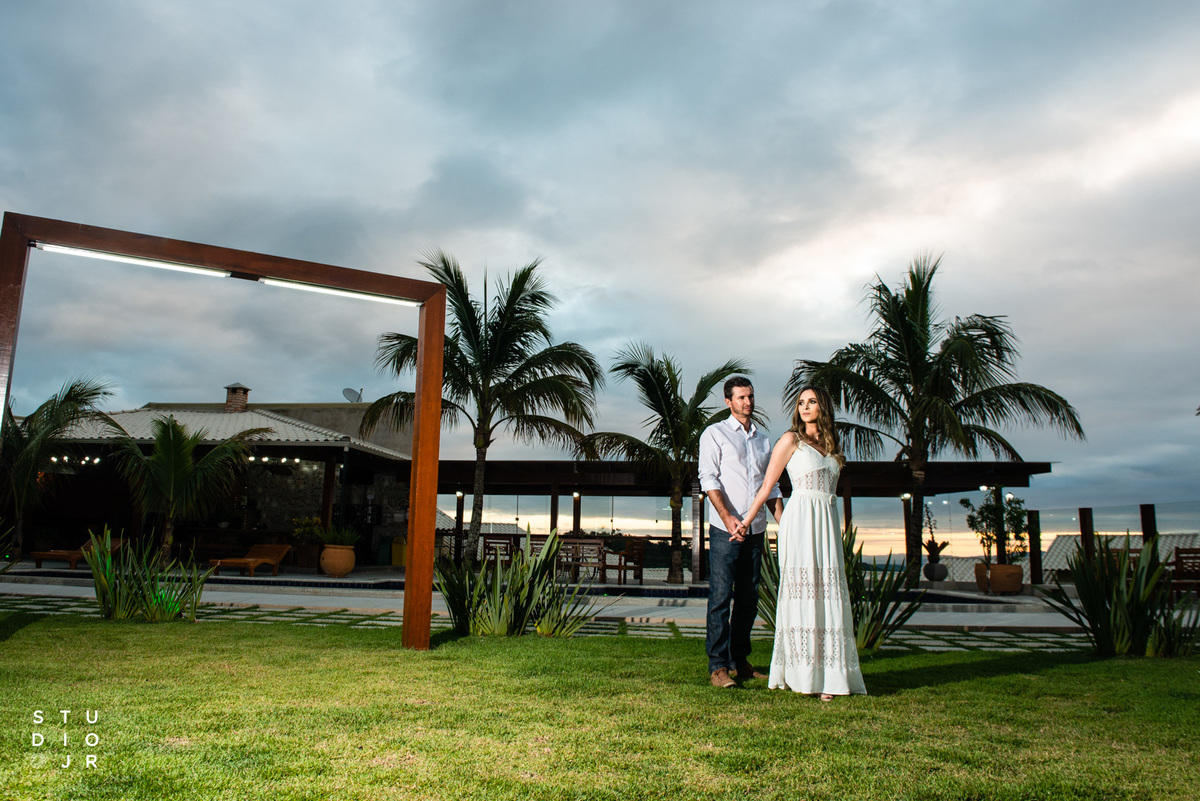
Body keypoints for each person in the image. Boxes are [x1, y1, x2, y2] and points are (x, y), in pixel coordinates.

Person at [740, 384, 866, 700]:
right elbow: (767, 485)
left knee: (828, 594)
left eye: (811, 402)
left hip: (827, 522)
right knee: (804, 595)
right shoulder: (790, 440)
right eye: (800, 402)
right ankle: (804, 675)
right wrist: (746, 520)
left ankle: (831, 677)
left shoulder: (832, 444)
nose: (805, 407)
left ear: (823, 406)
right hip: (800, 522)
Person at [698, 376, 784, 688]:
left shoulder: (764, 439)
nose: (748, 402)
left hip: (756, 530)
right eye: (741, 397)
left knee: (748, 599)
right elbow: (709, 478)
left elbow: (771, 485)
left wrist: (784, 523)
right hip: (725, 530)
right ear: (728, 402)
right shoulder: (714, 434)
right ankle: (718, 667)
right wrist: (728, 517)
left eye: (750, 396)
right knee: (720, 598)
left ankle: (740, 661)